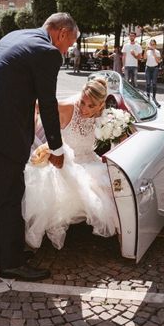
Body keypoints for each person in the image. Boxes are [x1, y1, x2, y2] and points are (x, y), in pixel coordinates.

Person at [0, 12, 78, 281]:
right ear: (60, 33)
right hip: (1, 129)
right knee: (12, 194)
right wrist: (56, 149)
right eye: (68, 44)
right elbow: (48, 104)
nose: (66, 50)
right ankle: (11, 263)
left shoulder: (15, 35)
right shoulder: (48, 52)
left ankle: (0, 252)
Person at [23, 78, 118, 250]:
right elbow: (36, 105)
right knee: (77, 189)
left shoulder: (106, 117)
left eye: (91, 106)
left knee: (114, 185)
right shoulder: (68, 108)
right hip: (67, 163)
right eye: (82, 102)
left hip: (90, 160)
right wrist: (31, 139)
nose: (84, 109)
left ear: (100, 105)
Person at [143, 39, 161, 106]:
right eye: (151, 44)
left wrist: (154, 53)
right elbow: (144, 58)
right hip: (148, 68)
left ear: (155, 45)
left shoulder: (157, 52)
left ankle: (154, 97)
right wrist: (145, 50)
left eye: (153, 44)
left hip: (155, 68)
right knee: (148, 83)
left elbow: (158, 61)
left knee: (154, 84)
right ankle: (147, 97)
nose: (152, 46)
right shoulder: (147, 51)